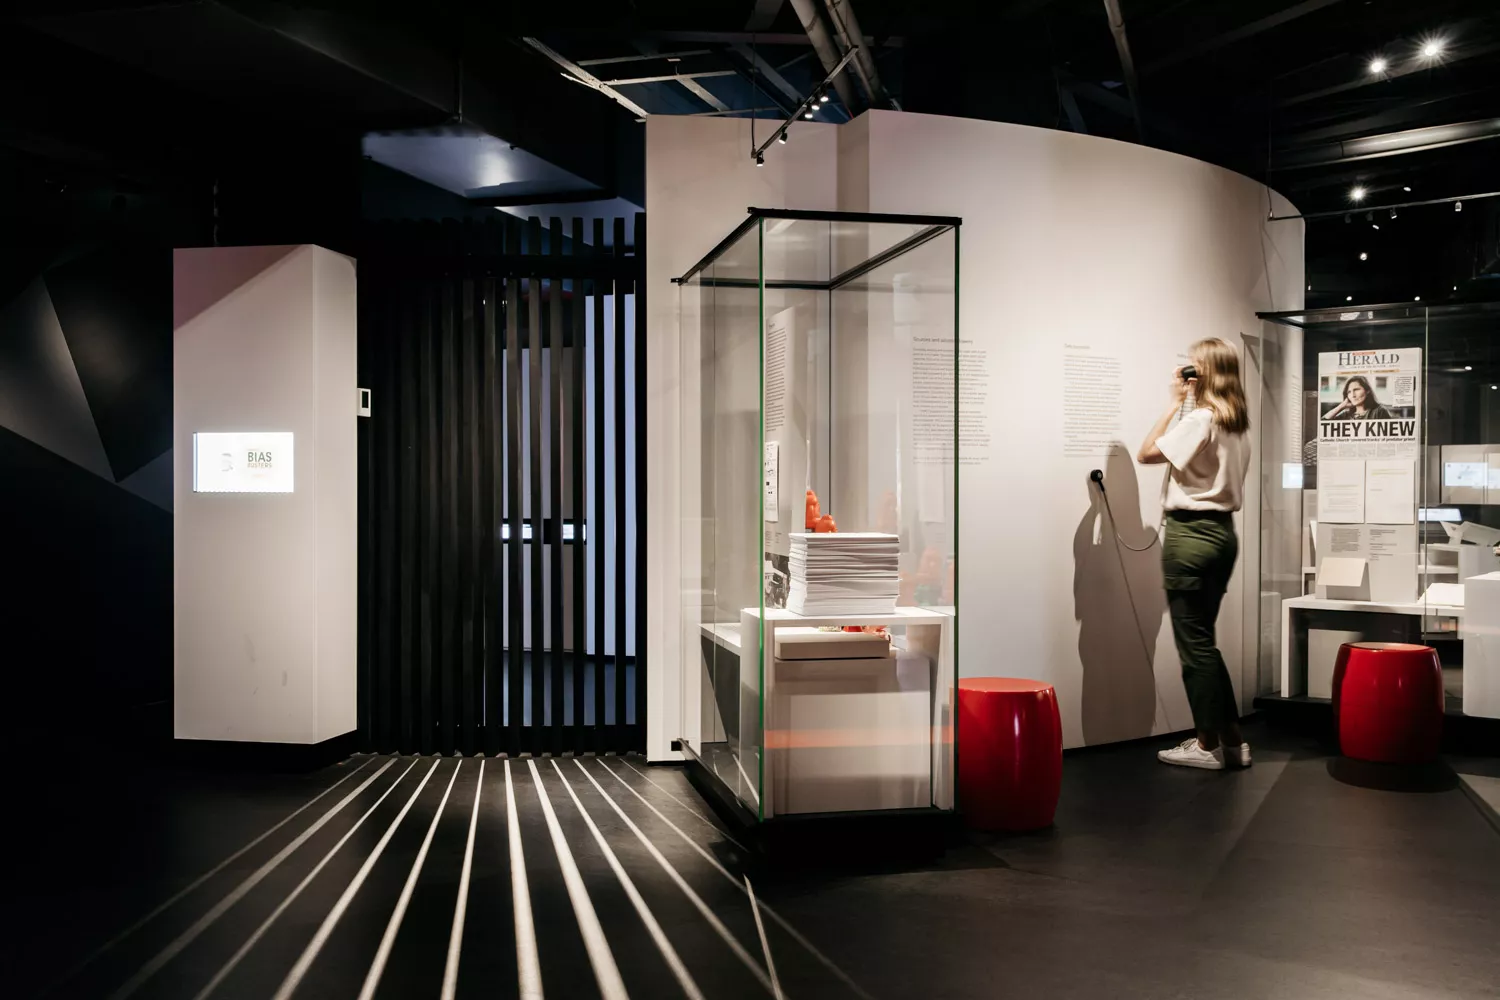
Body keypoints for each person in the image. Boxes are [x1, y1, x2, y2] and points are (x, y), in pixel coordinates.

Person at [1136, 337, 1252, 770]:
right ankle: (1234, 742)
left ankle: (1207, 746)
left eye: (1192, 367)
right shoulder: (1237, 423)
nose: (1186, 373)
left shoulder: (1203, 418)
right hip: (1222, 535)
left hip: (1191, 537)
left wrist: (1173, 404)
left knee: (1194, 649)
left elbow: (1146, 452)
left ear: (1203, 373)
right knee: (1206, 643)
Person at [1325, 375, 1392, 421]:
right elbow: (1323, 421)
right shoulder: (1346, 414)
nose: (1353, 395)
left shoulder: (1379, 411)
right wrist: (1341, 407)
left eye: (1356, 389)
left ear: (1367, 391)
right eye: (1349, 392)